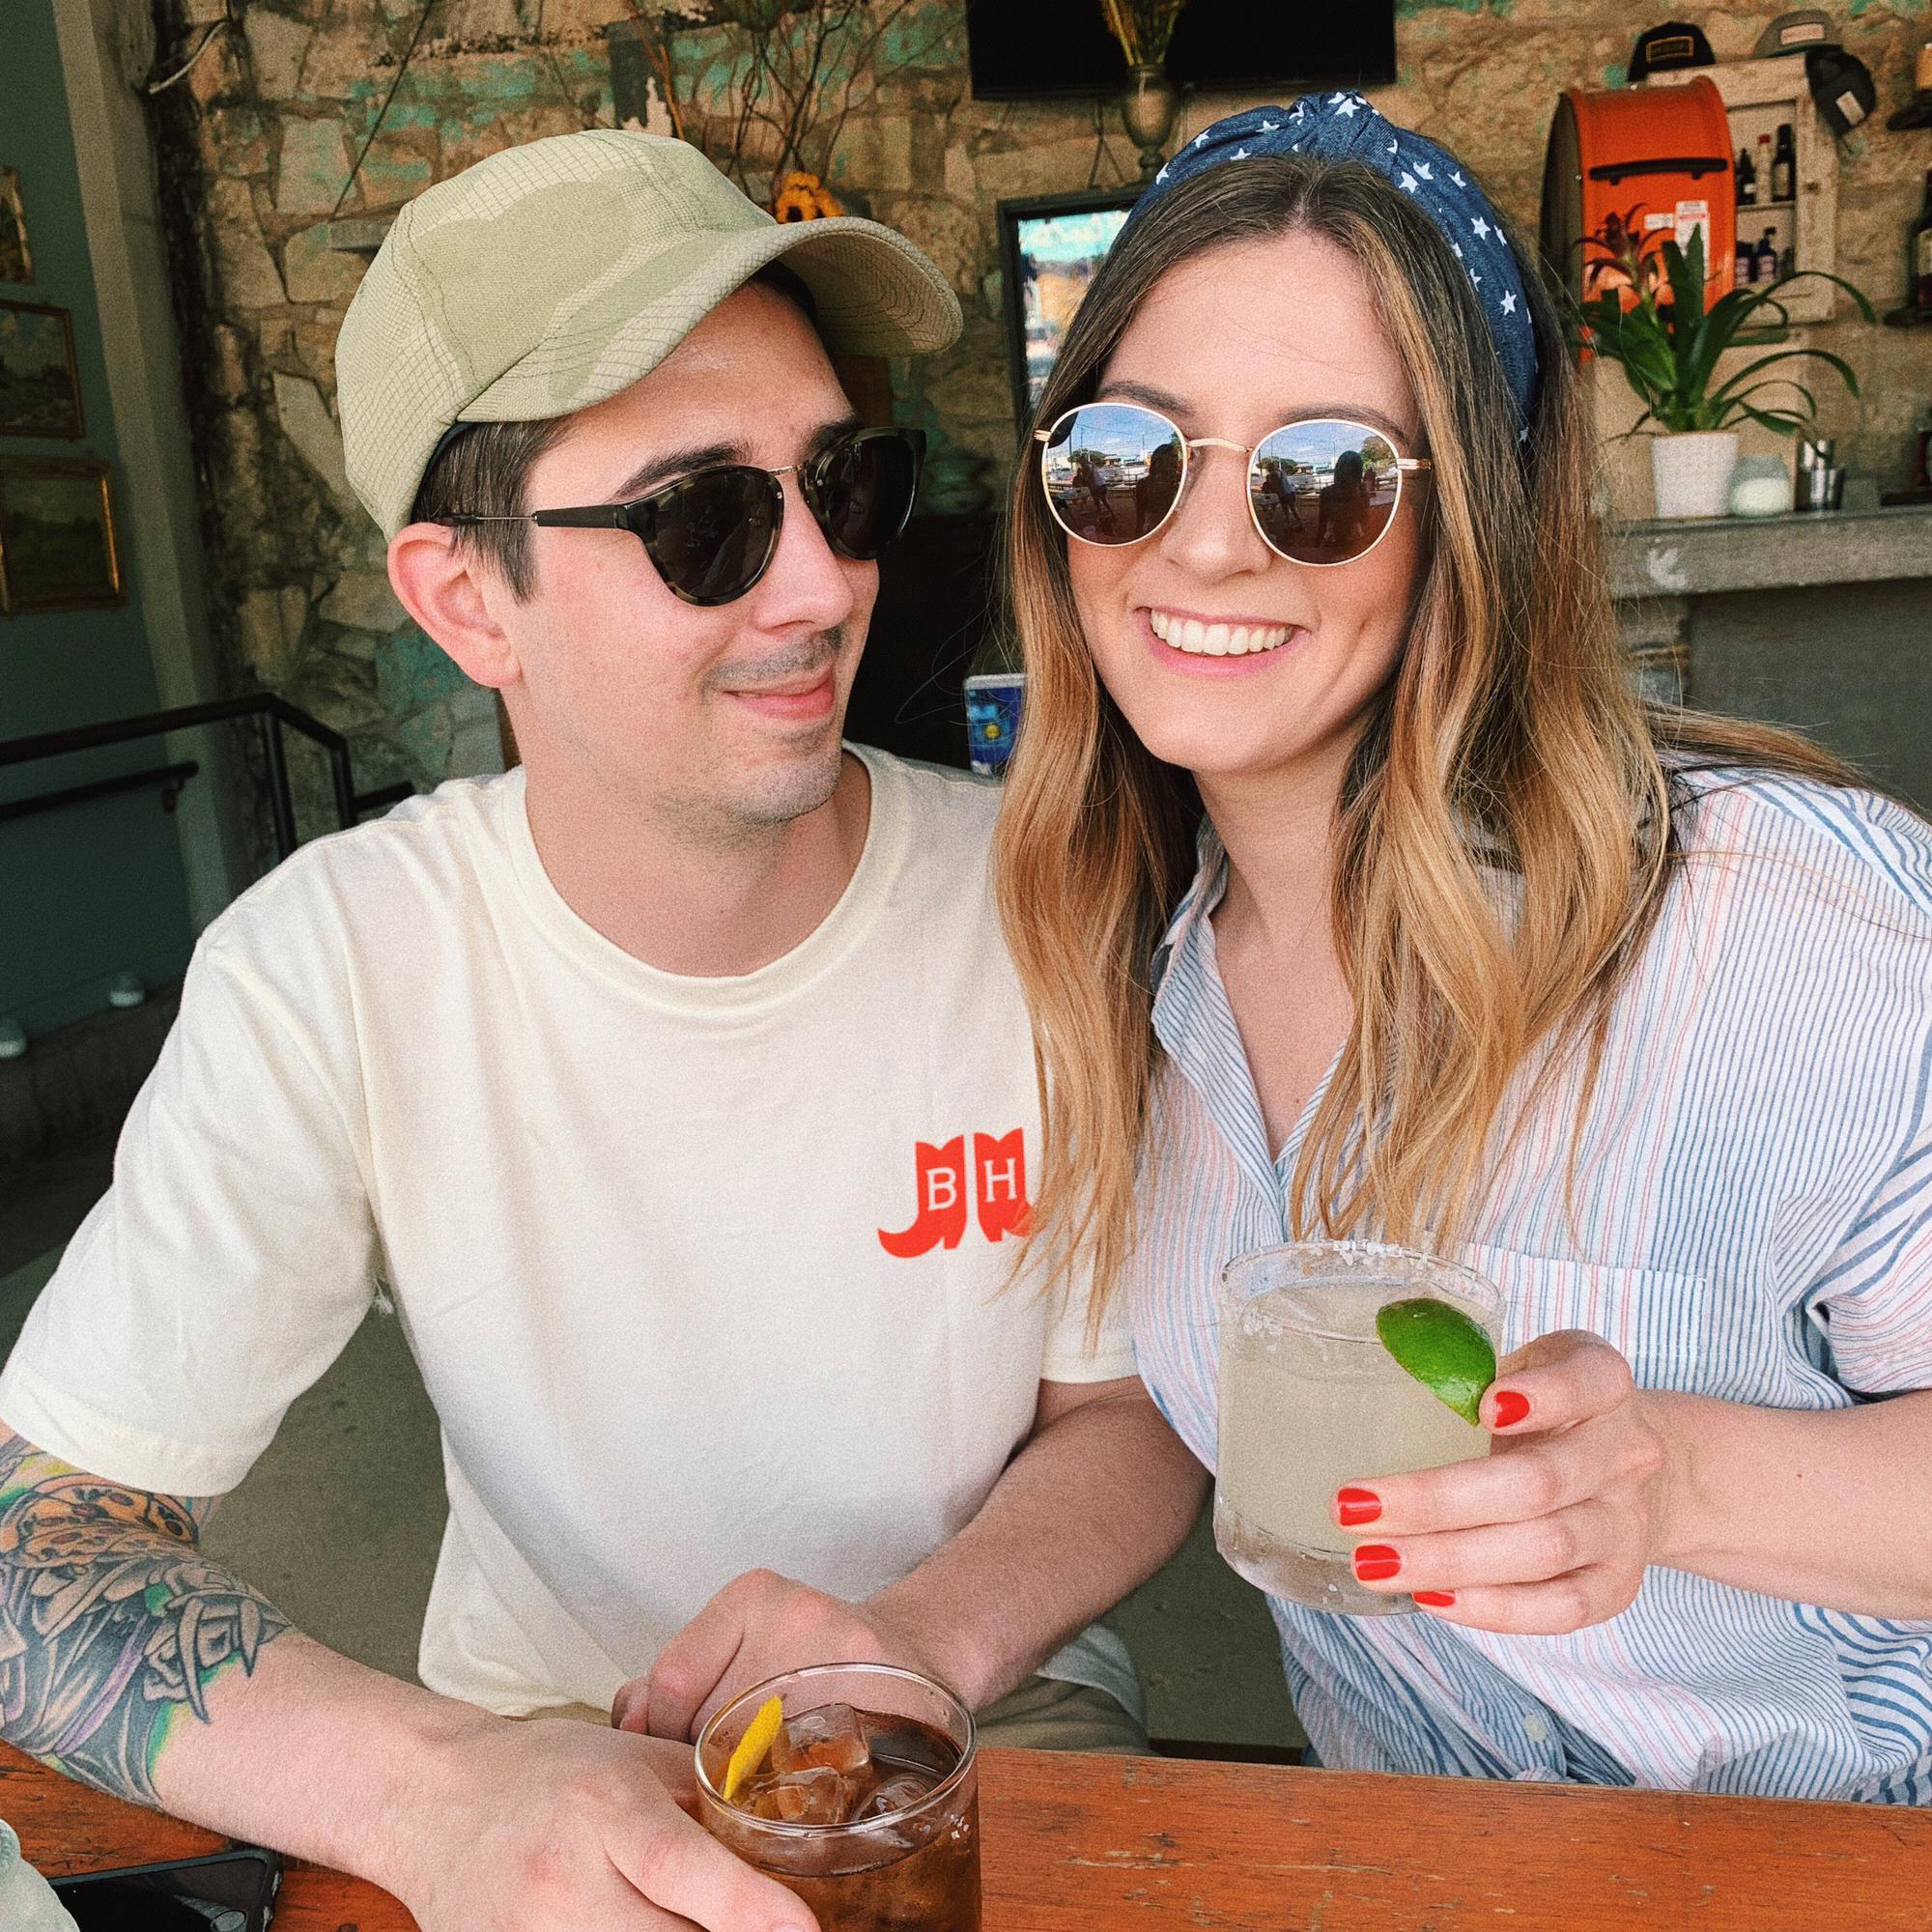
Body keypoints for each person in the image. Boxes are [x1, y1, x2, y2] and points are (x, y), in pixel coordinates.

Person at [0, 131, 1206, 1930]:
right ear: (465, 600)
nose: (823, 586)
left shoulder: (1042, 899)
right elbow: (37, 1544)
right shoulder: (337, 967)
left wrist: (906, 1642)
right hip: (531, 1741)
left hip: (981, 1707)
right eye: (705, 522)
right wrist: (433, 1792)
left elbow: (1131, 1405)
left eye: (842, 486)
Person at [994, 94, 1932, 1804]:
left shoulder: (1775, 922)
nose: (1203, 543)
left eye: (1325, 479)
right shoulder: (1120, 957)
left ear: (1470, 526)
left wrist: (1676, 1481)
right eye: (1130, 454)